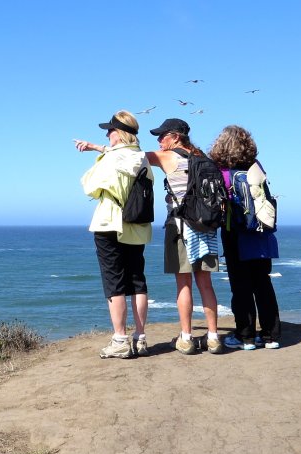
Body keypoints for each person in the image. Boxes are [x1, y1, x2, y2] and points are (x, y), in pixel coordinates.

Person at [74, 111, 153, 359]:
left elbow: (88, 184)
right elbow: (121, 156)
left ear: (119, 134)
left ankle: (119, 339)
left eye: (109, 131)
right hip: (137, 226)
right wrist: (98, 148)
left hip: (110, 223)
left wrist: (100, 155)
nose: (107, 134)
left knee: (114, 283)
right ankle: (140, 338)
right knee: (137, 280)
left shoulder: (110, 160)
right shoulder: (142, 158)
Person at [144, 118, 223, 355]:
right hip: (207, 227)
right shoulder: (205, 159)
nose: (159, 141)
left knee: (183, 283)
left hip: (180, 227)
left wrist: (97, 148)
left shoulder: (168, 157)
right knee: (206, 283)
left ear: (176, 137)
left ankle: (186, 338)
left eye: (162, 136)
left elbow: (132, 157)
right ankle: (213, 337)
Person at [209, 124, 281, 350]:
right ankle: (271, 336)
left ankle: (246, 336)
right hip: (261, 234)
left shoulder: (223, 172)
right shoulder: (256, 167)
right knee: (263, 284)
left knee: (240, 286)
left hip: (236, 234)